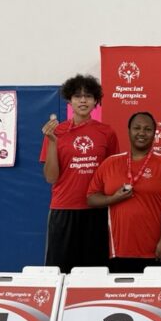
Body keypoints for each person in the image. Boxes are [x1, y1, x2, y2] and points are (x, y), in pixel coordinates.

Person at [87, 112, 161, 273]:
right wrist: (113, 198)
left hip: (154, 251)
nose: (141, 133)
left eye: (147, 129)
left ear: (155, 133)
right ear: (128, 131)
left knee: (151, 297)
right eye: (137, 128)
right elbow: (91, 198)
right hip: (116, 250)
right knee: (121, 297)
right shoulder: (110, 163)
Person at [40, 74, 119, 272]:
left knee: (95, 272)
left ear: (96, 101)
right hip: (64, 209)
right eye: (77, 96)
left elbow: (112, 173)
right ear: (69, 100)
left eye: (88, 96)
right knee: (59, 271)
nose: (83, 100)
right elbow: (51, 177)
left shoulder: (107, 132)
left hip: (96, 211)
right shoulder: (56, 132)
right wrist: (52, 141)